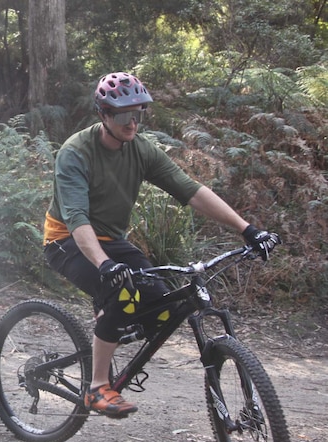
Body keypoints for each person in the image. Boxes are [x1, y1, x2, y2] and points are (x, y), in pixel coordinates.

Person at [43, 72, 279, 418]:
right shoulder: (75, 152)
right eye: (123, 115)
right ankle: (96, 387)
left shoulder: (140, 149)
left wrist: (247, 230)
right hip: (67, 241)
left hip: (112, 241)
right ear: (103, 115)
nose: (132, 122)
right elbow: (77, 218)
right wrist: (104, 265)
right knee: (123, 293)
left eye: (138, 113)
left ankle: (108, 322)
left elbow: (191, 190)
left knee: (163, 303)